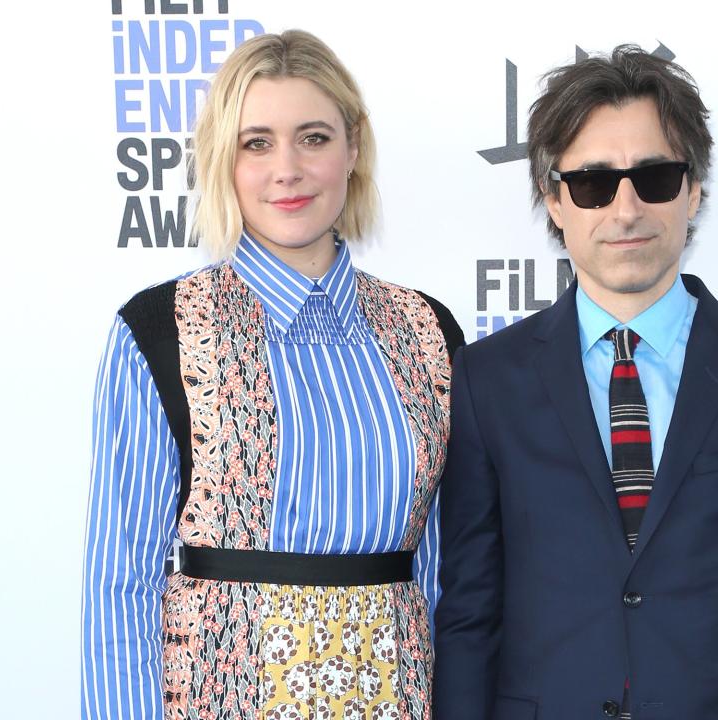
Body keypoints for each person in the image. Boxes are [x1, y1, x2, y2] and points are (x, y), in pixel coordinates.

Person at [434, 45, 718, 719]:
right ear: (554, 200)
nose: (627, 208)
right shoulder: (488, 381)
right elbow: (468, 616)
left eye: (655, 177)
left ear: (693, 189)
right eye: (593, 184)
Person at [82, 30, 462, 720]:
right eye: (256, 143)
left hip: (396, 699)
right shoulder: (160, 329)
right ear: (223, 161)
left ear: (353, 150)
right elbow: (120, 583)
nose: (286, 168)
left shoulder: (427, 332)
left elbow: (444, 572)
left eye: (313, 138)